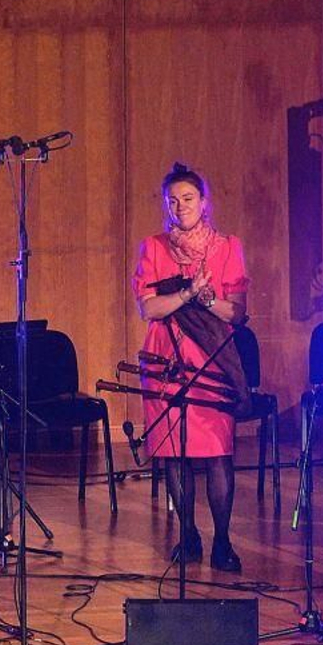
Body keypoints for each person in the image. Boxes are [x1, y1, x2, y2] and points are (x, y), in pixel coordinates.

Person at [133, 162, 250, 572]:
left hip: (211, 360)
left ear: (204, 202)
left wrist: (205, 301)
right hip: (165, 361)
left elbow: (236, 314)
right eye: (173, 200)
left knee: (218, 452)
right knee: (174, 453)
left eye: (188, 198)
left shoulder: (228, 247)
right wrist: (187, 294)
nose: (180, 206)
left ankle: (222, 539)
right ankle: (188, 533)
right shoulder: (153, 247)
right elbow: (149, 308)